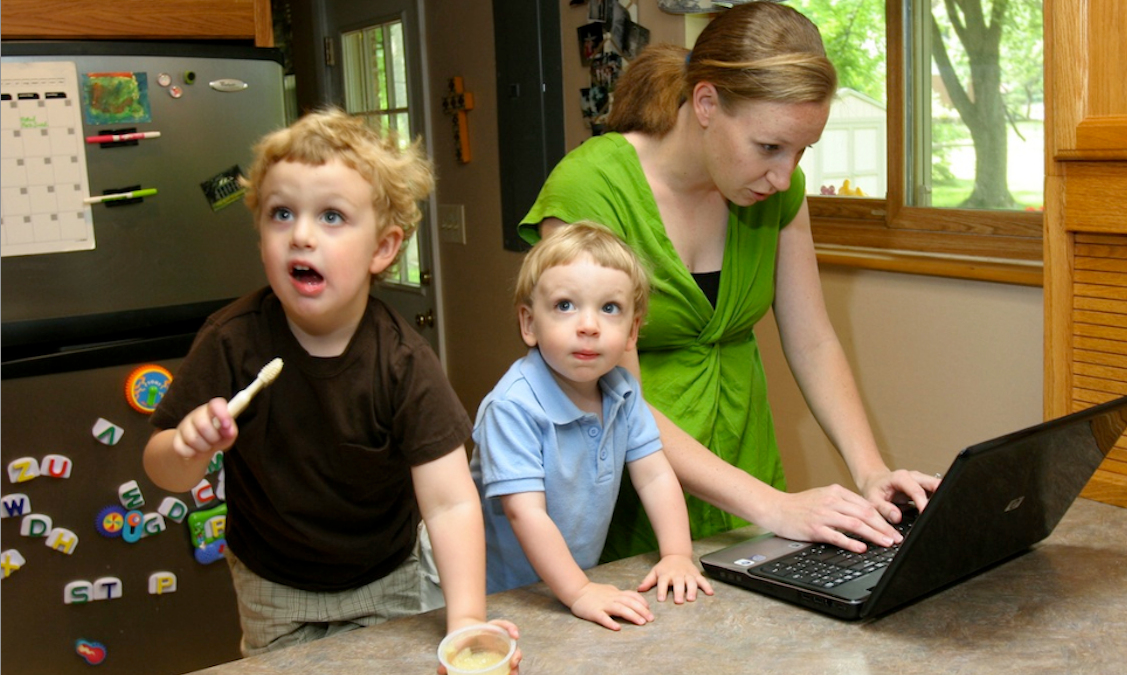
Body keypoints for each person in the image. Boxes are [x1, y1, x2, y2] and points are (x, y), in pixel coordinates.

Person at [518, 3, 941, 563]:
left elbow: (812, 340)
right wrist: (773, 506)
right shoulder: (590, 190)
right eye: (769, 147)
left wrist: (871, 471)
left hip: (749, 473)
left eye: (802, 151)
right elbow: (618, 396)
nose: (786, 176)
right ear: (707, 103)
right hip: (633, 492)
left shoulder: (776, 190)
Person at [142, 109, 520, 667]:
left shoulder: (404, 363)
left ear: (383, 248)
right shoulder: (230, 341)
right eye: (281, 213)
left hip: (385, 580)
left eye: (332, 217)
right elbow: (162, 470)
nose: (300, 235)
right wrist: (185, 448)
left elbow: (448, 502)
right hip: (272, 585)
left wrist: (465, 619)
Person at [471, 221, 713, 631]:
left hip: (565, 587)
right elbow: (525, 514)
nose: (588, 325)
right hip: (497, 594)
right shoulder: (512, 408)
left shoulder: (623, 392)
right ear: (529, 323)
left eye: (610, 308)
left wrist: (676, 554)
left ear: (632, 331)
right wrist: (579, 591)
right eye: (565, 305)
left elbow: (655, 477)